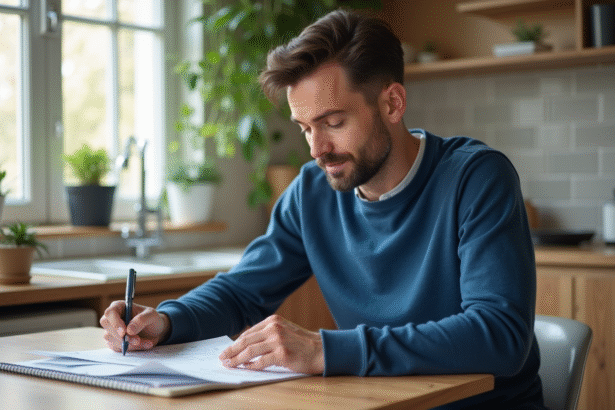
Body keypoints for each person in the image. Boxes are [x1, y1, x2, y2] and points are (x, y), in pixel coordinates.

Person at [100, 9, 545, 409]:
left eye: (334, 123)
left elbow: (499, 335)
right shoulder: (313, 190)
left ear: (392, 103)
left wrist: (324, 350)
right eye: (305, 128)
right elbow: (243, 291)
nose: (318, 149)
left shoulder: (477, 178)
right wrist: (165, 321)